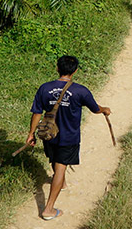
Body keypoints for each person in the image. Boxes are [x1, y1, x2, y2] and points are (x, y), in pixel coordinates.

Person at [27, 55, 111, 221]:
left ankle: (61, 183)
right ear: (75, 71)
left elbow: (37, 112)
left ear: (57, 68)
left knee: (54, 159)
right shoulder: (80, 91)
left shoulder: (45, 88)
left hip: (48, 134)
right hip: (69, 136)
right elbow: (95, 108)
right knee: (61, 167)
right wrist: (105, 110)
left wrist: (31, 134)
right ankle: (48, 209)